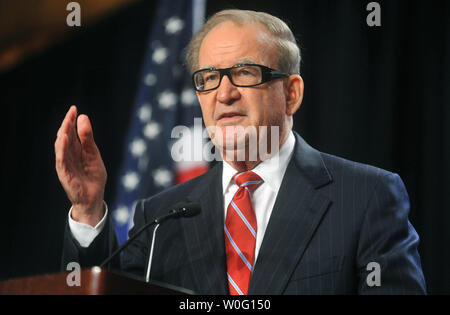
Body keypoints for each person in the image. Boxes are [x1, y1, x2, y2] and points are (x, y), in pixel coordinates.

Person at [55, 9, 426, 294]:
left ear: (291, 93)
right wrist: (88, 211)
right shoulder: (160, 218)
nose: (224, 93)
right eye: (208, 78)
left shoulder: (365, 197)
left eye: (245, 73)